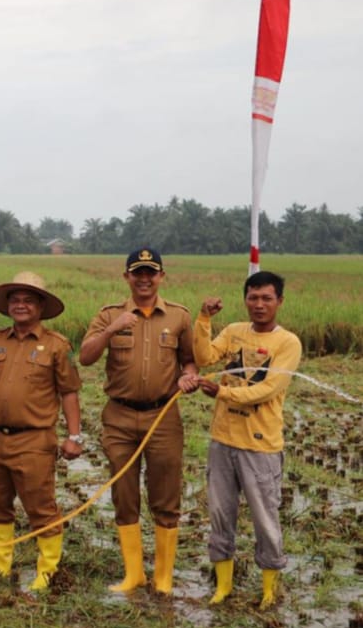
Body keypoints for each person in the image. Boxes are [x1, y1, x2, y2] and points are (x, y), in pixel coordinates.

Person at [79, 247, 198, 595]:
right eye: (137, 272)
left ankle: (163, 578)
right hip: (118, 417)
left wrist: (188, 377)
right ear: (126, 277)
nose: (144, 279)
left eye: (151, 272)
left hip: (163, 416)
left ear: (161, 276)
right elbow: (85, 357)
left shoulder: (179, 317)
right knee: (124, 493)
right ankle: (134, 574)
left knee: (165, 495)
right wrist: (112, 329)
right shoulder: (109, 315)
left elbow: (190, 361)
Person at [0, 272, 83, 592]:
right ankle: (0, 566)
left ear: (41, 306)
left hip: (35, 438)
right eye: (15, 300)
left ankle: (48, 570)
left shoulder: (57, 345)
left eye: (28, 300)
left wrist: (74, 436)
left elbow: (69, 392)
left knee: (41, 505)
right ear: (7, 306)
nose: (21, 305)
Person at [193, 271, 301, 609]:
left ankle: (269, 588)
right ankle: (223, 586)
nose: (259, 305)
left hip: (260, 446)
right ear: (245, 300)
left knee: (265, 519)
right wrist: (204, 319)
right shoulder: (235, 332)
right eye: (253, 298)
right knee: (220, 515)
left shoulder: (288, 343)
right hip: (222, 441)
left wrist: (221, 391)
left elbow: (269, 389)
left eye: (267, 298)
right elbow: (204, 358)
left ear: (279, 302)